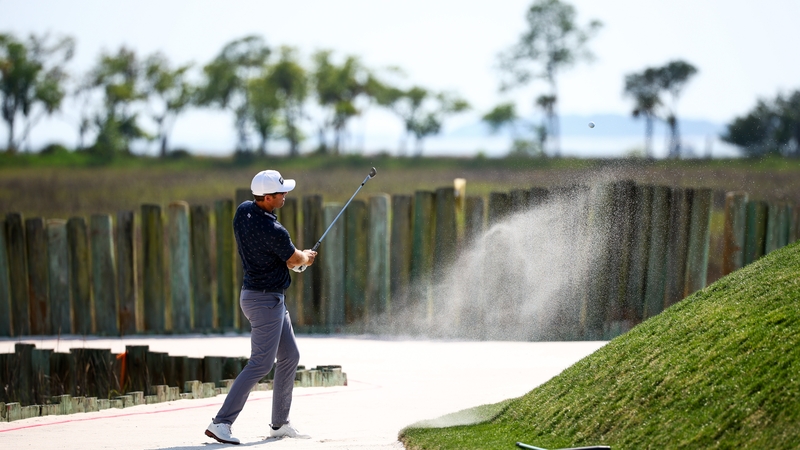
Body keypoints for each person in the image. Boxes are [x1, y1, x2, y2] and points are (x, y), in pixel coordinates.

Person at [205, 169, 317, 445]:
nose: (285, 194)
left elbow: (281, 257)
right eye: (281, 192)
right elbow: (295, 259)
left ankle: (279, 424)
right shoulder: (275, 231)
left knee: (290, 355)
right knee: (261, 363)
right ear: (267, 197)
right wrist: (306, 258)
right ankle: (221, 422)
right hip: (265, 301)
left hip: (260, 297)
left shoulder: (243, 211)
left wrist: (293, 261)